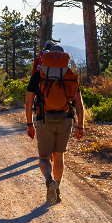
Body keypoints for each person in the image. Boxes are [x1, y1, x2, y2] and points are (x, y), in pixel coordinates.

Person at [24, 44, 85, 204]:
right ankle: (57, 188)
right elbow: (79, 104)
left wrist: (30, 123)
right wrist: (81, 125)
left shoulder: (39, 75)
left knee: (44, 158)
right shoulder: (70, 75)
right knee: (59, 157)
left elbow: (28, 102)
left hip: (45, 119)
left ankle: (49, 181)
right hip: (65, 119)